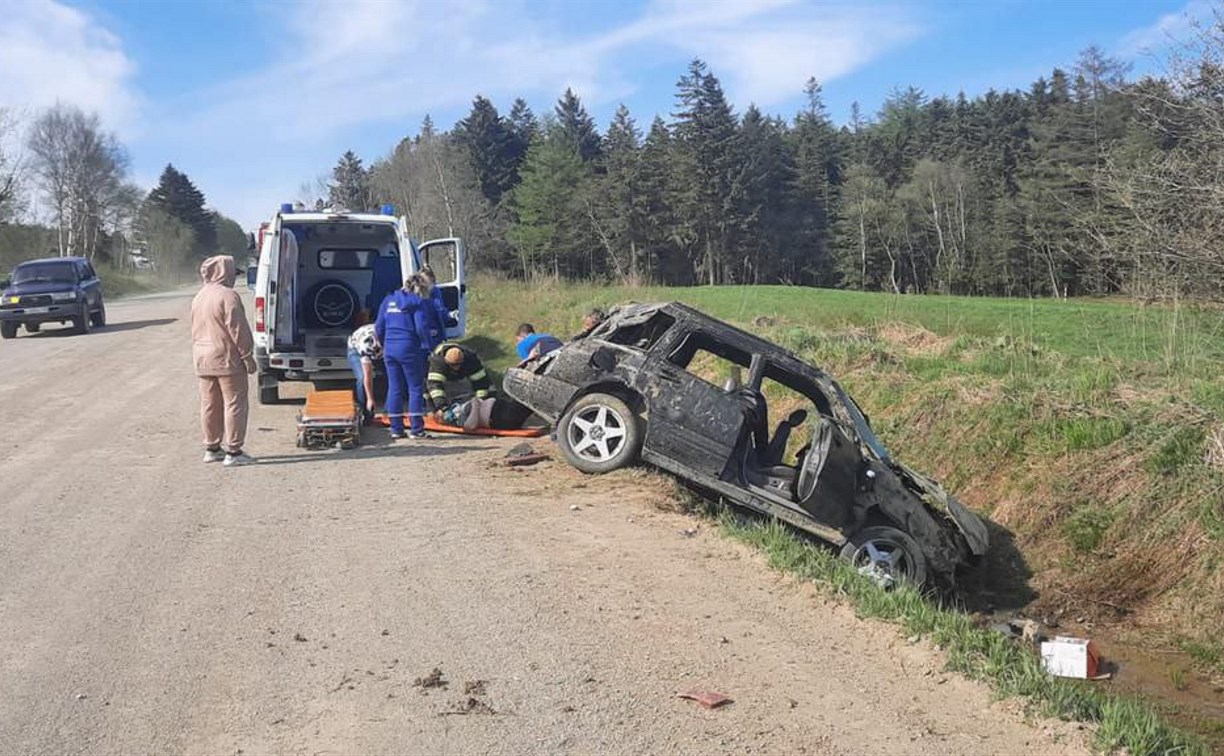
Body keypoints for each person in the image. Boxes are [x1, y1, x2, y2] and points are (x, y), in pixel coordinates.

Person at [191, 255, 257, 467]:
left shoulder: (199, 296)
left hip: (202, 358)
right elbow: (238, 329)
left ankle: (212, 448)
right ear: (224, 272)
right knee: (234, 403)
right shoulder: (228, 296)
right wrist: (247, 356)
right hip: (227, 358)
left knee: (209, 404)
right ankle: (234, 451)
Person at [376, 273, 438, 439]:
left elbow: (379, 327)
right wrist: (430, 346)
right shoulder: (418, 303)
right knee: (415, 388)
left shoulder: (388, 301)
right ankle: (416, 429)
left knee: (395, 387)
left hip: (390, 349)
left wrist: (384, 344)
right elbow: (421, 328)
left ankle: (396, 428)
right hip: (409, 348)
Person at [426, 342, 495, 414]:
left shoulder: (471, 359)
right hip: (445, 377)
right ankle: (431, 411)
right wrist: (442, 406)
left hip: (463, 377)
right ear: (446, 361)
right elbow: (434, 385)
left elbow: (482, 382)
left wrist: (480, 402)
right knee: (429, 391)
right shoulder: (438, 362)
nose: (456, 368)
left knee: (490, 390)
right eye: (453, 365)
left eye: (458, 364)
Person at [346, 313, 382, 424]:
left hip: (374, 345)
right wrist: (370, 399)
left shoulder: (390, 338)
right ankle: (365, 411)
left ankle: (390, 408)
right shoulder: (366, 345)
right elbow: (367, 376)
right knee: (362, 378)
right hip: (355, 349)